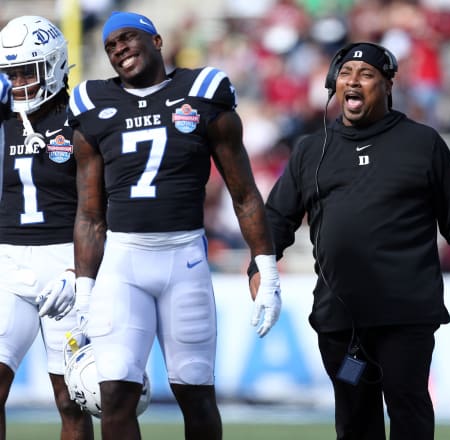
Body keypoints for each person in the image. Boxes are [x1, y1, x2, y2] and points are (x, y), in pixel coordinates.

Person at [248, 42, 450, 440]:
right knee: (353, 421)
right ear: (333, 83)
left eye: (365, 75)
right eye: (346, 73)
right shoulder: (311, 149)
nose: (353, 81)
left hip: (406, 314)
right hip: (340, 320)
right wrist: (258, 267)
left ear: (387, 86)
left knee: (408, 410)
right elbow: (278, 218)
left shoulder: (422, 143)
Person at [67, 11, 282, 440]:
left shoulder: (203, 93)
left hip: (184, 257)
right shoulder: (93, 104)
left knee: (197, 394)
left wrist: (267, 268)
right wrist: (84, 288)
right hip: (123, 263)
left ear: (158, 40)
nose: (119, 50)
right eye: (110, 46)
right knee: (115, 397)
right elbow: (90, 213)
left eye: (128, 39)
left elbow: (244, 193)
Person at [0, 16, 94, 440]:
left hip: (63, 260)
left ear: (54, 65)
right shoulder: (2, 118)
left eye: (27, 71)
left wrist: (80, 271)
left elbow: (98, 207)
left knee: (70, 397)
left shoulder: (80, 118)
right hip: (7, 261)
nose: (18, 82)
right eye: (10, 73)